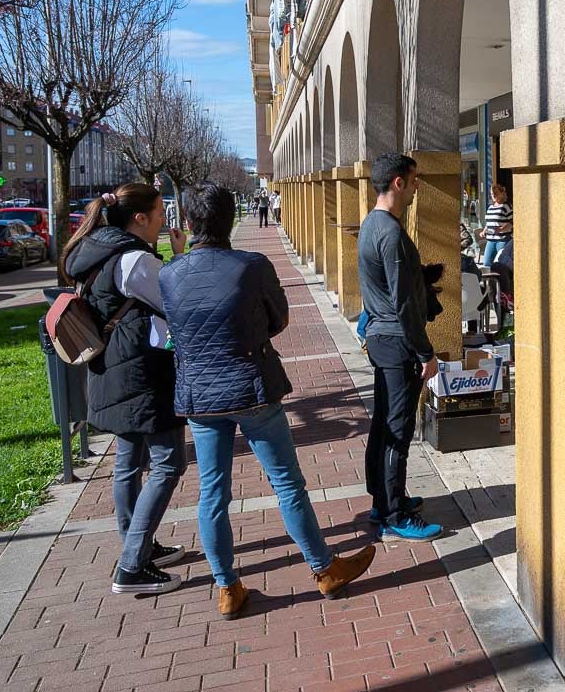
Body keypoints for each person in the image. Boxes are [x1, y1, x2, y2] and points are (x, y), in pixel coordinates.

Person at [160, 182, 375, 619]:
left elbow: (177, 333)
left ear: (187, 223)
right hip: (251, 386)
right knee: (286, 484)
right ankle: (324, 568)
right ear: (228, 219)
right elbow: (278, 318)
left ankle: (226, 587)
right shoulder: (251, 265)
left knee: (212, 494)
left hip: (200, 396)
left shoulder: (169, 274)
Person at [64, 184, 188, 595]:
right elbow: (178, 303)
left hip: (114, 370)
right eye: (158, 214)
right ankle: (132, 565)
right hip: (141, 375)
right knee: (169, 464)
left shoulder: (97, 251)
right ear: (140, 219)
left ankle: (140, 547)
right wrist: (180, 256)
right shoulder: (133, 260)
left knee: (128, 464)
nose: (161, 222)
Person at [359, 153, 440, 541]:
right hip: (397, 342)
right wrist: (426, 353)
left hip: (384, 337)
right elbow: (404, 304)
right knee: (398, 428)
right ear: (397, 183)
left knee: (383, 424)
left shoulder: (373, 225)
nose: (417, 186)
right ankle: (394, 513)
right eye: (414, 180)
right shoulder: (390, 233)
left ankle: (384, 499)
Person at [479, 183, 512, 269]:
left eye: (495, 193)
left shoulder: (506, 206)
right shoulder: (490, 207)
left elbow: (513, 221)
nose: (493, 195)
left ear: (502, 193)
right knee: (486, 263)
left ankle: (502, 282)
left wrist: (501, 229)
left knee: (501, 265)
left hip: (502, 240)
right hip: (490, 240)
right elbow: (489, 223)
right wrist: (484, 231)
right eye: (492, 194)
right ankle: (490, 282)